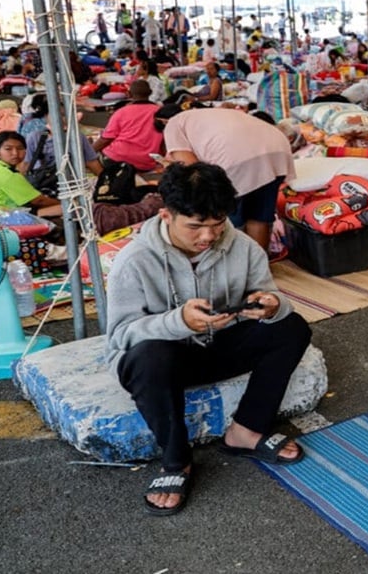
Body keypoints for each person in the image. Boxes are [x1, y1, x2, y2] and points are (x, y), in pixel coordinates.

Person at [105, 162, 311, 515]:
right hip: (165, 362)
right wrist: (178, 322)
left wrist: (271, 304)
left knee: (292, 326)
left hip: (219, 346)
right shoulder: (134, 260)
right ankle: (176, 462)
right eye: (196, 226)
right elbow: (122, 336)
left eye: (217, 225)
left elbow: (269, 293)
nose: (208, 237)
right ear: (167, 215)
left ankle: (245, 432)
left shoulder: (243, 246)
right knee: (150, 356)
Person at [155, 102, 295, 251]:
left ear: (164, 122)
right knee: (259, 216)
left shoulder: (173, 125)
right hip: (278, 148)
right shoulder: (208, 114)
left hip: (236, 159)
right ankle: (258, 266)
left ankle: (229, 265)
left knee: (224, 218)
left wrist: (169, 167)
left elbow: (192, 171)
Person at [0, 131, 62, 217]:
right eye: (8, 149)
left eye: (20, 148)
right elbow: (39, 201)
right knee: (64, 209)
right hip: (1, 218)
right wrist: (62, 204)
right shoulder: (7, 174)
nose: (15, 153)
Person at [93, 80, 164, 172]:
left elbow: (105, 139)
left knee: (93, 159)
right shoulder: (160, 112)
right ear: (150, 93)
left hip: (118, 159)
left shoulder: (121, 112)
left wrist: (89, 151)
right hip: (146, 162)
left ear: (129, 94)